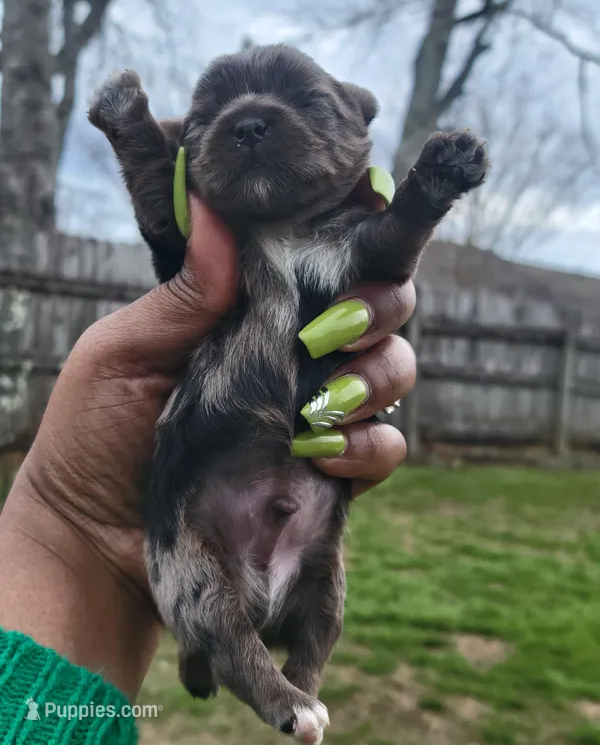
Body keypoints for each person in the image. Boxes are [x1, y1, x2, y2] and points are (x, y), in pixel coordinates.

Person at [0, 197, 417, 743]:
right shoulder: (232, 243)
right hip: (208, 498)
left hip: (275, 492)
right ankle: (230, 667)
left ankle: (283, 675)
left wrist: (423, 202)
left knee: (324, 599)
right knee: (226, 598)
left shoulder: (334, 236)